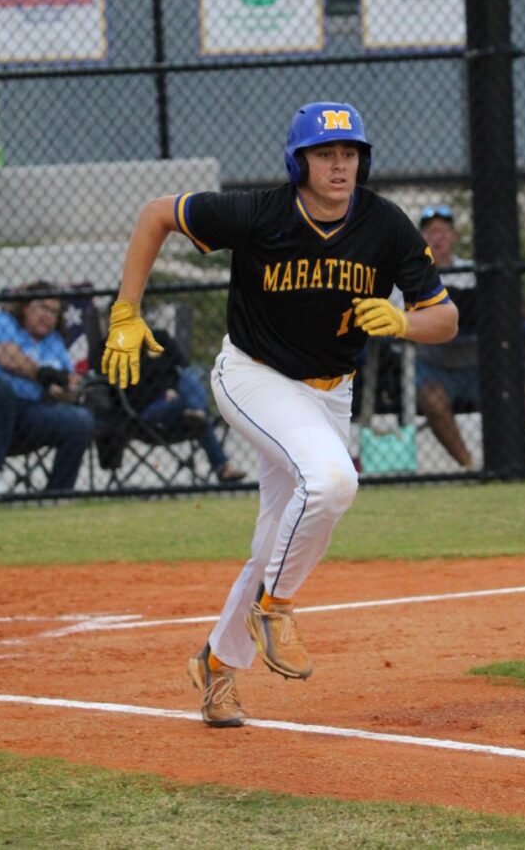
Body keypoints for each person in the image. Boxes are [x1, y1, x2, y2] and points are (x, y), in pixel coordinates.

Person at [101, 101, 459, 727]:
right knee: (334, 479)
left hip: (331, 393)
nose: (339, 165)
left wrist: (405, 322)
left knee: (277, 540)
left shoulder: (385, 225)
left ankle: (217, 665)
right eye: (325, 154)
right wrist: (126, 310)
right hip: (253, 375)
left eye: (350, 153)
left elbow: (446, 318)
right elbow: (156, 213)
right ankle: (275, 608)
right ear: (299, 162)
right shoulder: (260, 212)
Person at [0, 281, 96, 496]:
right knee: (0, 387)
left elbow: (65, 381)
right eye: (42, 307)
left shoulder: (54, 341)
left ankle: (57, 495)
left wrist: (68, 391)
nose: (48, 316)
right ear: (26, 307)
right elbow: (7, 359)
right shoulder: (0, 321)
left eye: (54, 312)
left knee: (81, 420)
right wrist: (44, 375)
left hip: (29, 413)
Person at [126, 328, 246, 482]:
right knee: (198, 417)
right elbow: (133, 389)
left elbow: (182, 363)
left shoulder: (159, 337)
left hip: (178, 402)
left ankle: (197, 411)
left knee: (190, 374)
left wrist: (172, 389)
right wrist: (165, 391)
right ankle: (222, 466)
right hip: (148, 409)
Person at [415, 204, 478, 468]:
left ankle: (501, 459)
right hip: (433, 363)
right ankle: (469, 466)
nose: (438, 238)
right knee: (433, 399)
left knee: (524, 390)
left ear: (454, 236)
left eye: (443, 231)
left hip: (475, 361)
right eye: (431, 232)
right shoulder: (410, 273)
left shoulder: (473, 271)